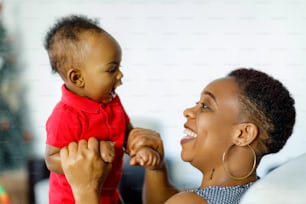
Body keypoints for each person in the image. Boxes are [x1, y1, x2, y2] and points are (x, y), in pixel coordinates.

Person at [60, 68, 296, 204]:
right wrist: (157, 169)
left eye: (205, 106)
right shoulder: (248, 192)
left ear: (243, 134)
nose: (188, 111)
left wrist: (86, 190)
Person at [43, 15, 161, 204]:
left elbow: (127, 133)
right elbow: (51, 159)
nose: (120, 75)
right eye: (112, 69)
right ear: (77, 78)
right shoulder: (65, 116)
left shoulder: (113, 102)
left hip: (110, 195)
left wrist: (139, 147)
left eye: (119, 67)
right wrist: (95, 154)